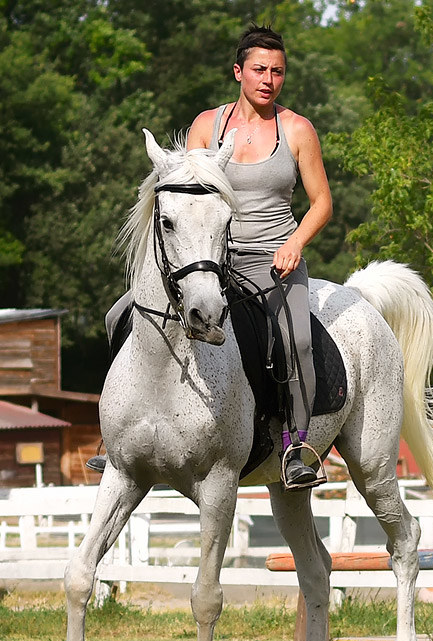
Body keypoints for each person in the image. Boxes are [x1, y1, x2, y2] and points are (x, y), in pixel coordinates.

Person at [90, 26, 333, 490]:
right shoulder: (207, 125)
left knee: (295, 341)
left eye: (278, 71)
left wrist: (295, 244)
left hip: (273, 259)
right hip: (209, 260)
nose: (269, 79)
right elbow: (186, 197)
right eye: (260, 69)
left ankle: (297, 447)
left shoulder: (298, 130)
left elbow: (321, 202)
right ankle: (116, 437)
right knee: (118, 315)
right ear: (239, 71)